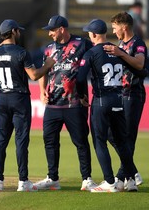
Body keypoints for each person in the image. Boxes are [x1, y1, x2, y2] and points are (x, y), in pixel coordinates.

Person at [0, 19, 56, 192]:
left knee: (0, 142)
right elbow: (34, 75)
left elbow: (0, 47)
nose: (20, 33)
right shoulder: (21, 52)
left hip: (1, 98)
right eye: (17, 31)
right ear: (13, 31)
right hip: (19, 99)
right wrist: (48, 65)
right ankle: (23, 181)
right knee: (21, 141)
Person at [34, 15, 97, 191]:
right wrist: (42, 91)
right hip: (53, 103)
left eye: (52, 30)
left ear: (62, 29)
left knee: (80, 141)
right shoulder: (48, 49)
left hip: (75, 103)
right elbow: (44, 71)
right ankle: (52, 178)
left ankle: (87, 179)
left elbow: (94, 62)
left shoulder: (82, 43)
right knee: (50, 141)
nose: (50, 34)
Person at [77, 19, 139, 193]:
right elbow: (139, 70)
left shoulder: (92, 52)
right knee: (122, 142)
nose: (88, 34)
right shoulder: (117, 50)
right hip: (119, 99)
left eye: (89, 32)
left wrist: (82, 96)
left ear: (94, 34)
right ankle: (131, 180)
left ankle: (110, 181)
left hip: (101, 101)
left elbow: (80, 78)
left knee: (99, 141)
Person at [103, 12, 148, 188]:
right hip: (121, 94)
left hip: (133, 94)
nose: (114, 32)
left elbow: (139, 63)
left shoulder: (138, 43)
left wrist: (119, 53)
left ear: (124, 27)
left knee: (128, 136)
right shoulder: (122, 44)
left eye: (115, 28)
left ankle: (121, 178)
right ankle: (132, 173)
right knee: (109, 132)